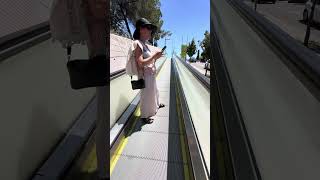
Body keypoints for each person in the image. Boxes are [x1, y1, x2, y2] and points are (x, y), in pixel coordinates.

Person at [83, 0, 108, 179]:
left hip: (102, 58)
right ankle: (104, 172)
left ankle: (104, 170)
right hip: (101, 59)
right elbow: (98, 11)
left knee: (103, 116)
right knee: (104, 117)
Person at [133, 18, 165, 124]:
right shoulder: (138, 44)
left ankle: (156, 105)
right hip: (145, 76)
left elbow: (149, 60)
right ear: (141, 29)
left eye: (151, 28)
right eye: (148, 28)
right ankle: (144, 116)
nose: (150, 30)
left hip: (150, 74)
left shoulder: (145, 45)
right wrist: (154, 56)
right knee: (146, 96)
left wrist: (156, 57)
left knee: (154, 92)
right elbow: (140, 63)